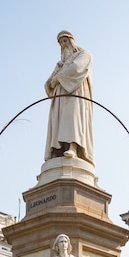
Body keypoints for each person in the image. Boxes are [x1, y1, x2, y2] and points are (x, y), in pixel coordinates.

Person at [44, 30, 94, 165]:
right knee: (59, 121)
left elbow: (77, 68)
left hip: (76, 93)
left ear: (71, 41)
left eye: (65, 41)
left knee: (73, 119)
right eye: (61, 43)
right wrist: (53, 80)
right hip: (60, 96)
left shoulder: (84, 54)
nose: (63, 45)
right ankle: (58, 150)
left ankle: (73, 146)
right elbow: (48, 84)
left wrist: (58, 78)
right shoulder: (60, 64)